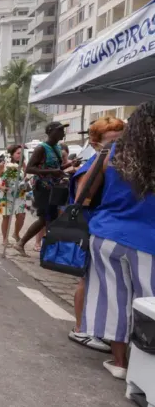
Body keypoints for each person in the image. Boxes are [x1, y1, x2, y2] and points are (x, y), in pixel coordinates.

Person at [76, 102, 155, 380]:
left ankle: (119, 362)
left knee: (112, 299)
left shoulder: (111, 153)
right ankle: (146, 366)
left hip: (106, 233)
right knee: (148, 303)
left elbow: (82, 195)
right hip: (149, 241)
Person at [65, 117, 125, 354]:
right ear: (96, 141)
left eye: (121, 138)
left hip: (100, 227)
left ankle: (99, 329)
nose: (117, 144)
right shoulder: (93, 163)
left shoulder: (111, 161)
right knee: (86, 278)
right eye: (112, 140)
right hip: (91, 227)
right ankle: (80, 327)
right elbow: (83, 199)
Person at [14, 121, 75, 256]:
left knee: (47, 219)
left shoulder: (58, 148)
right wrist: (53, 172)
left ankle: (24, 244)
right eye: (59, 130)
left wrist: (69, 165)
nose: (62, 133)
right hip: (42, 188)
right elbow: (30, 168)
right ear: (50, 131)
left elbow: (56, 169)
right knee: (48, 219)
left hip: (54, 188)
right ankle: (48, 251)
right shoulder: (41, 148)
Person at [0, 144, 27, 247]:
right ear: (12, 154)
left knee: (21, 216)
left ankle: (16, 233)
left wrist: (26, 182)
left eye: (22, 153)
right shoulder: (3, 165)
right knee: (6, 217)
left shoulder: (23, 164)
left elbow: (26, 177)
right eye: (18, 153)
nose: (20, 155)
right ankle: (5, 239)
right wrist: (1, 187)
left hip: (20, 193)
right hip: (5, 194)